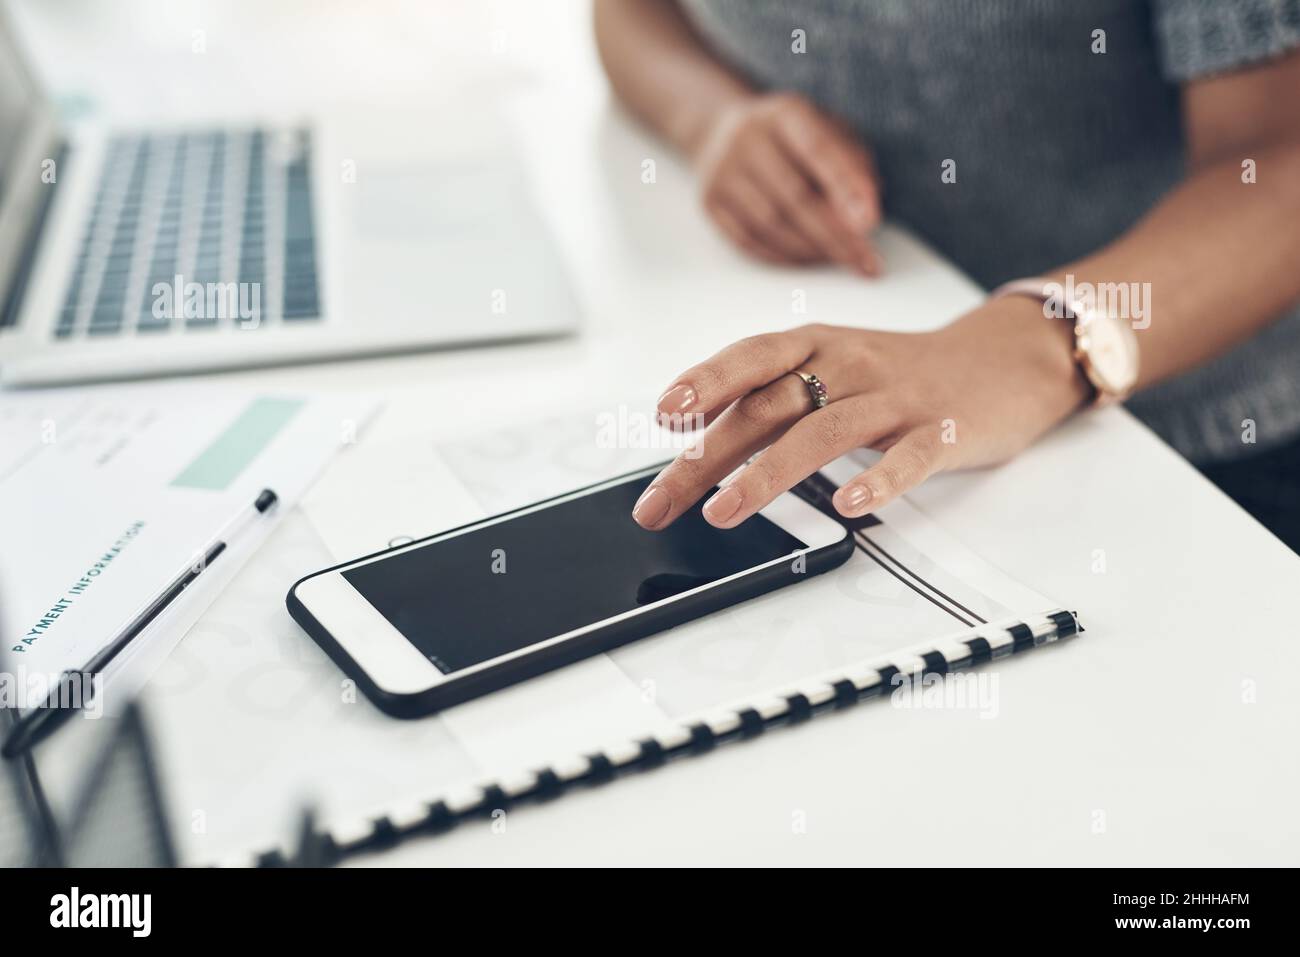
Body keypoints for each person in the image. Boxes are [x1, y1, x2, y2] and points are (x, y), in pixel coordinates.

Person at [594, 0, 1300, 552]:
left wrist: (1021, 347)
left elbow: (1279, 160)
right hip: (863, 382)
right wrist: (713, 117)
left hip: (1192, 445)